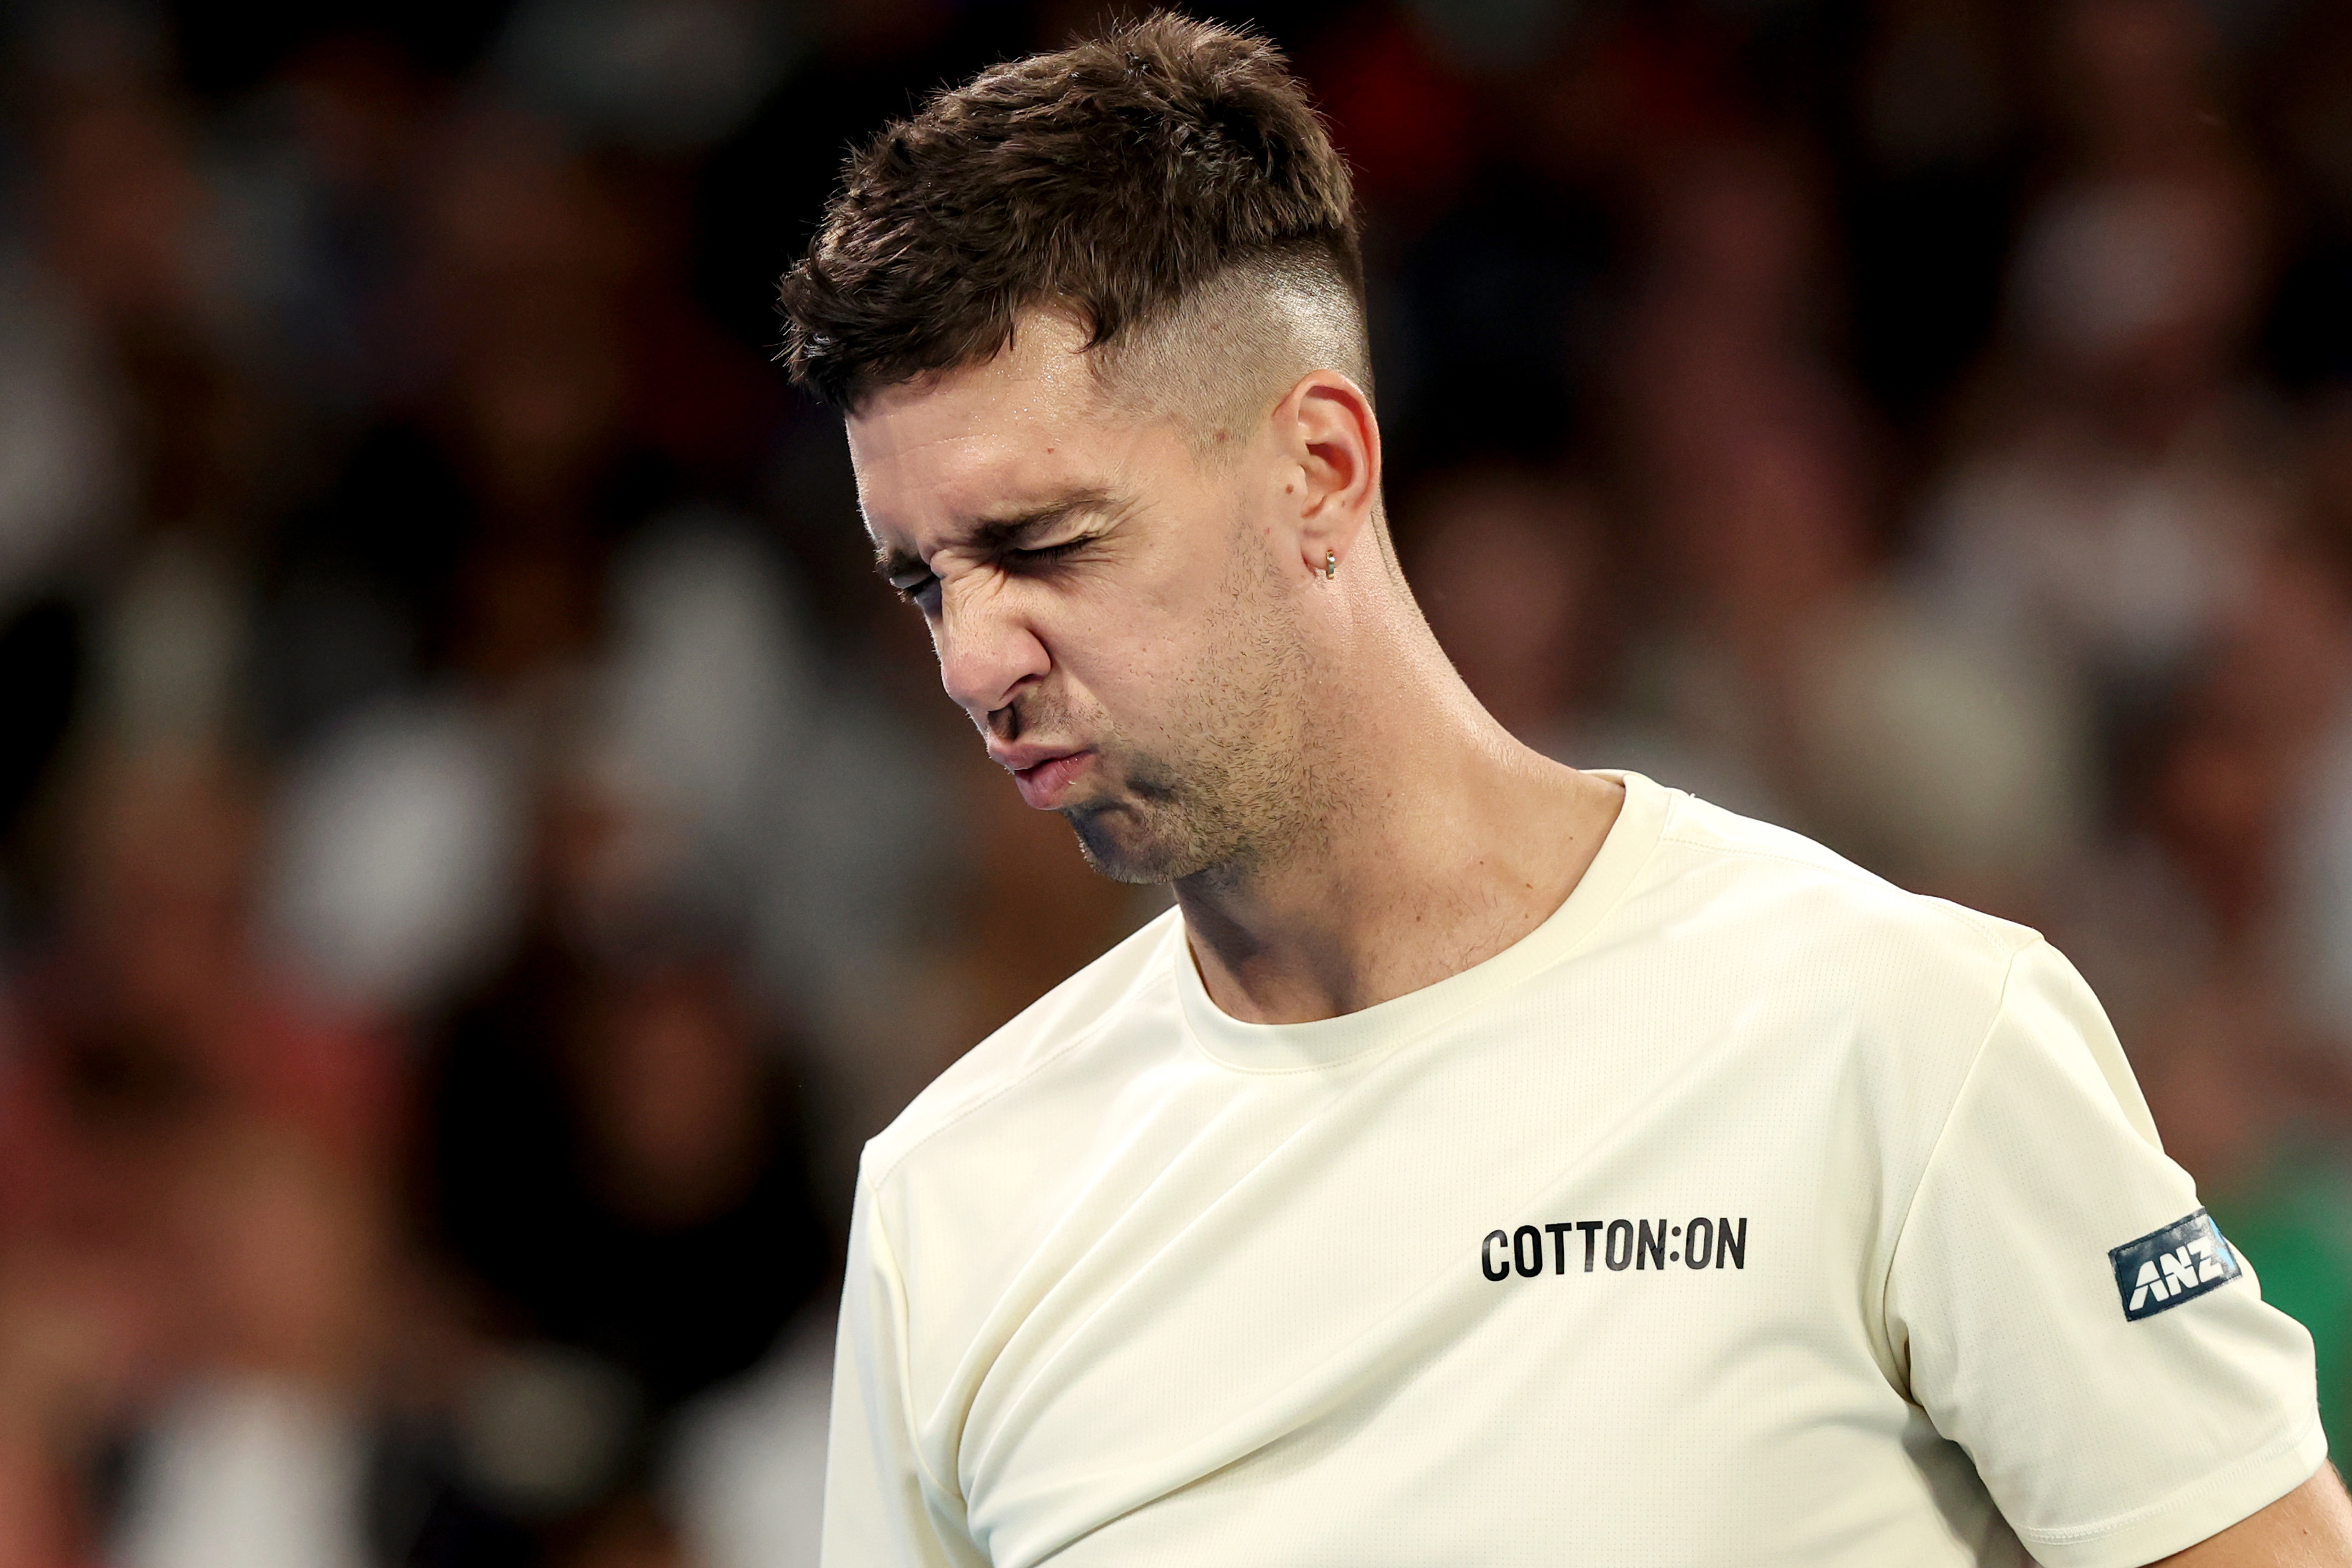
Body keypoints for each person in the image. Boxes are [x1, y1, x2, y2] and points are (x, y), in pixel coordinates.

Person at [774, 14, 2350, 1566]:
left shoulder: (1904, 1033)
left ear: (1316, 467)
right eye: (921, 582)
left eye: (1043, 544)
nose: (973, 659)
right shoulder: (948, 1206)